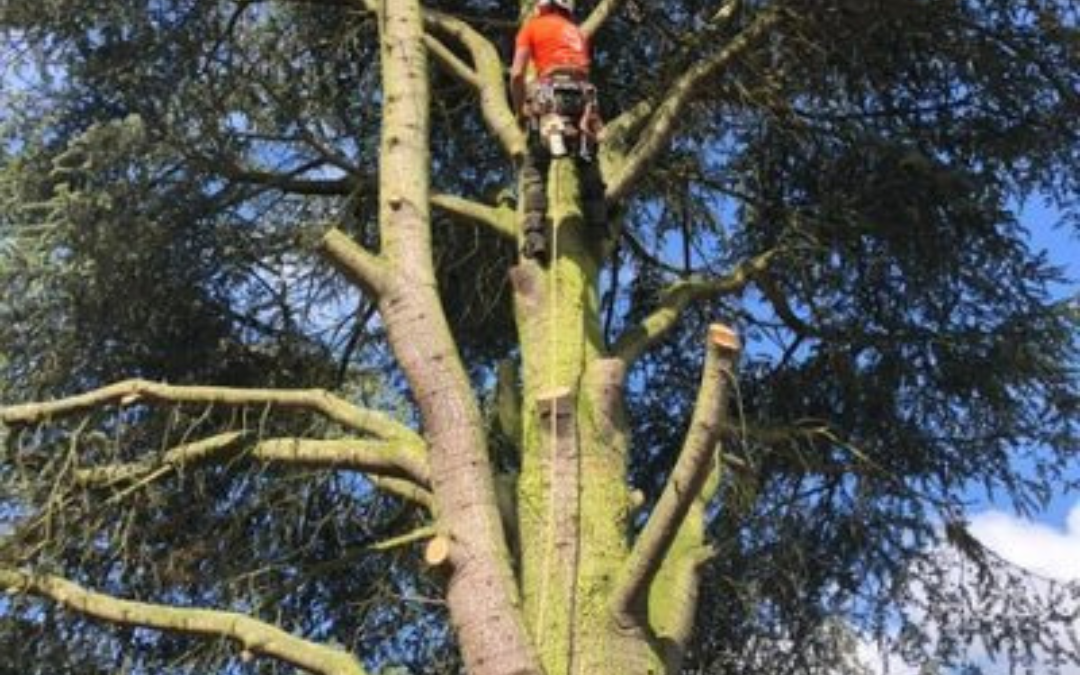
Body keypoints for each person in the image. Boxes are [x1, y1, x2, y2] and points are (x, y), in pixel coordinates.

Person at [510, 0, 606, 262]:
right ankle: (598, 232)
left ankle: (534, 235)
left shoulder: (533, 27)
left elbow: (517, 74)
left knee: (535, 167)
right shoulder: (577, 33)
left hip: (551, 98)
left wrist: (520, 110)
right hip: (585, 101)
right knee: (587, 161)